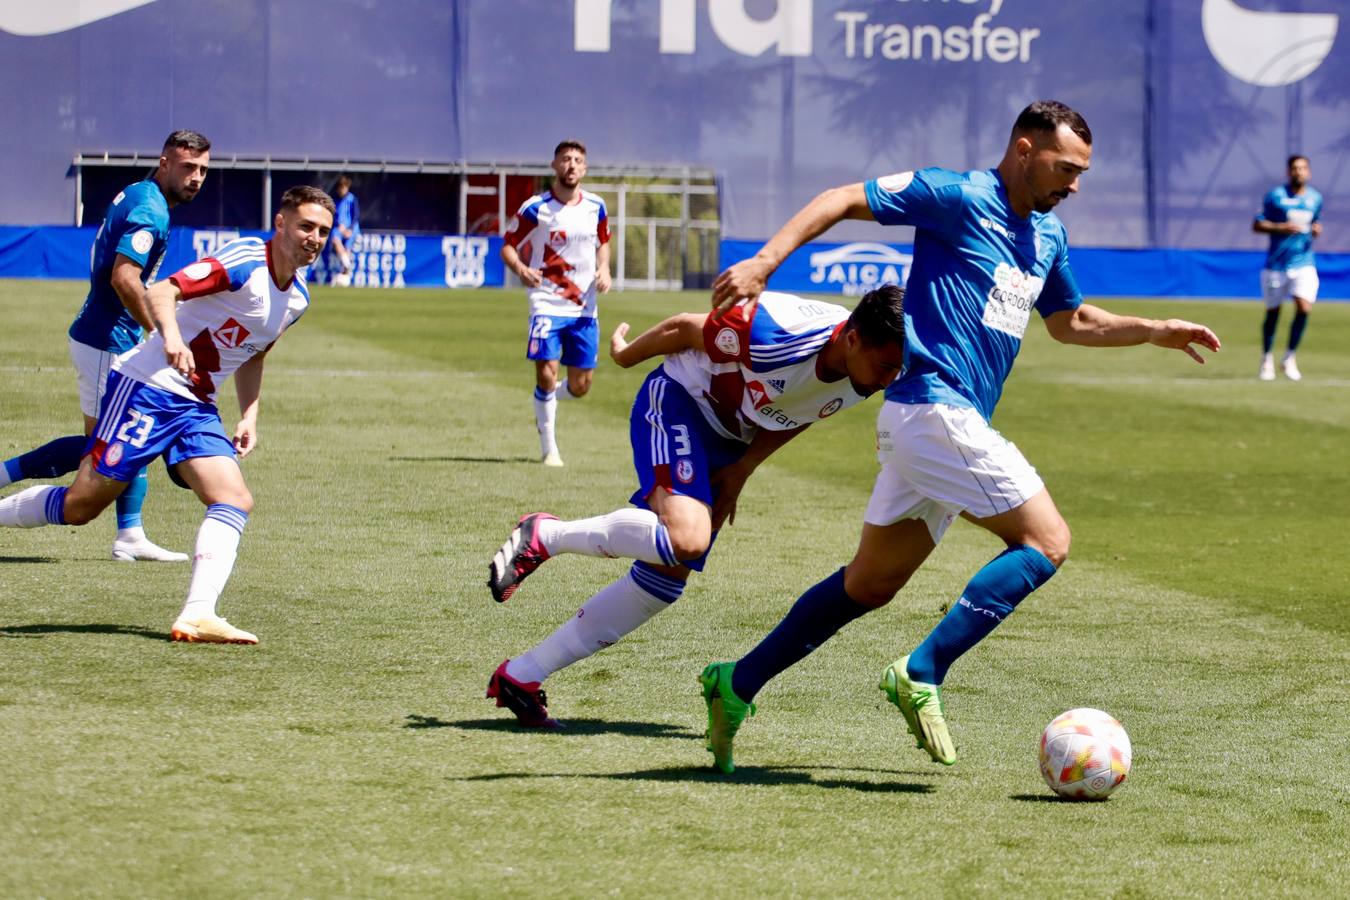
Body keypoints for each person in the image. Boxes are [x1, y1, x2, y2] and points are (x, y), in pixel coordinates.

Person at [697, 100, 1222, 774]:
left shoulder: (1049, 238)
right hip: (932, 410)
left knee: (868, 585)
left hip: (937, 427)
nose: (1075, 185)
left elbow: (1071, 321)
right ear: (1025, 150)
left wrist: (1154, 328)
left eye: (1083, 172)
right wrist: (765, 262)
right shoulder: (957, 196)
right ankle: (923, 670)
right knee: (1047, 541)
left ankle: (735, 685)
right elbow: (839, 199)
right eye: (1066, 168)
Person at [484, 286, 907, 727]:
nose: (890, 379)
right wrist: (625, 357)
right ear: (854, 339)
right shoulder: (776, 330)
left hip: (729, 439)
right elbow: (686, 327)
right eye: (886, 366)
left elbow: (801, 410)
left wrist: (744, 469)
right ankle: (546, 535)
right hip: (680, 399)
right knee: (686, 538)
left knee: (659, 586)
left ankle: (523, 676)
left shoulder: (867, 371)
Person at [0, 186, 335, 644]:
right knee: (82, 506)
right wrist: (171, 337)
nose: (314, 238)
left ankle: (198, 614)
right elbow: (162, 290)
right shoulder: (244, 260)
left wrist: (250, 415)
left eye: (323, 231)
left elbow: (254, 356)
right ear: (280, 223)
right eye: (306, 226)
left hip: (196, 408)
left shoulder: (296, 298)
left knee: (234, 498)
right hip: (147, 388)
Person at [0, 130, 211, 562]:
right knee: (103, 448)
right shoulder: (152, 210)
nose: (197, 178)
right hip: (105, 341)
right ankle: (125, 532)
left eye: (204, 170)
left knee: (117, 440)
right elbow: (124, 278)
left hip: (108, 338)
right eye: (188, 167)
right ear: (165, 162)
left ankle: (130, 534)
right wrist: (160, 332)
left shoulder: (140, 192)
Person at [500, 140, 612, 467]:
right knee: (546, 372)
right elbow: (508, 245)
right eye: (565, 159)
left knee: (581, 386)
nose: (571, 165)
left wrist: (603, 267)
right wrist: (520, 268)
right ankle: (550, 448)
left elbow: (604, 242)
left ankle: (548, 397)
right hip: (546, 302)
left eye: (577, 160)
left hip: (584, 308)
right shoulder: (536, 208)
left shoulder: (596, 206)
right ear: (554, 165)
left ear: (585, 168)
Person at [1254, 155, 1322, 382]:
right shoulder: (1276, 196)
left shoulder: (1315, 198)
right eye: (1295, 168)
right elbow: (1257, 223)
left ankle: (1290, 357)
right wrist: (1280, 227)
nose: (1299, 172)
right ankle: (1266, 359)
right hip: (1276, 265)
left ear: (1309, 172)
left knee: (1304, 308)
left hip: (1304, 263)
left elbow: (1315, 222)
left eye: (1303, 168)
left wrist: (1316, 230)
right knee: (1273, 312)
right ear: (1288, 172)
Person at [327, 174, 360, 286]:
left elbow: (355, 215)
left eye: (344, 187)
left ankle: (345, 274)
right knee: (336, 240)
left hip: (351, 228)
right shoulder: (334, 199)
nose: (342, 190)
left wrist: (350, 229)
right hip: (338, 227)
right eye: (340, 187)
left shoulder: (352, 199)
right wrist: (339, 225)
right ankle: (347, 265)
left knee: (347, 249)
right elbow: (333, 215)